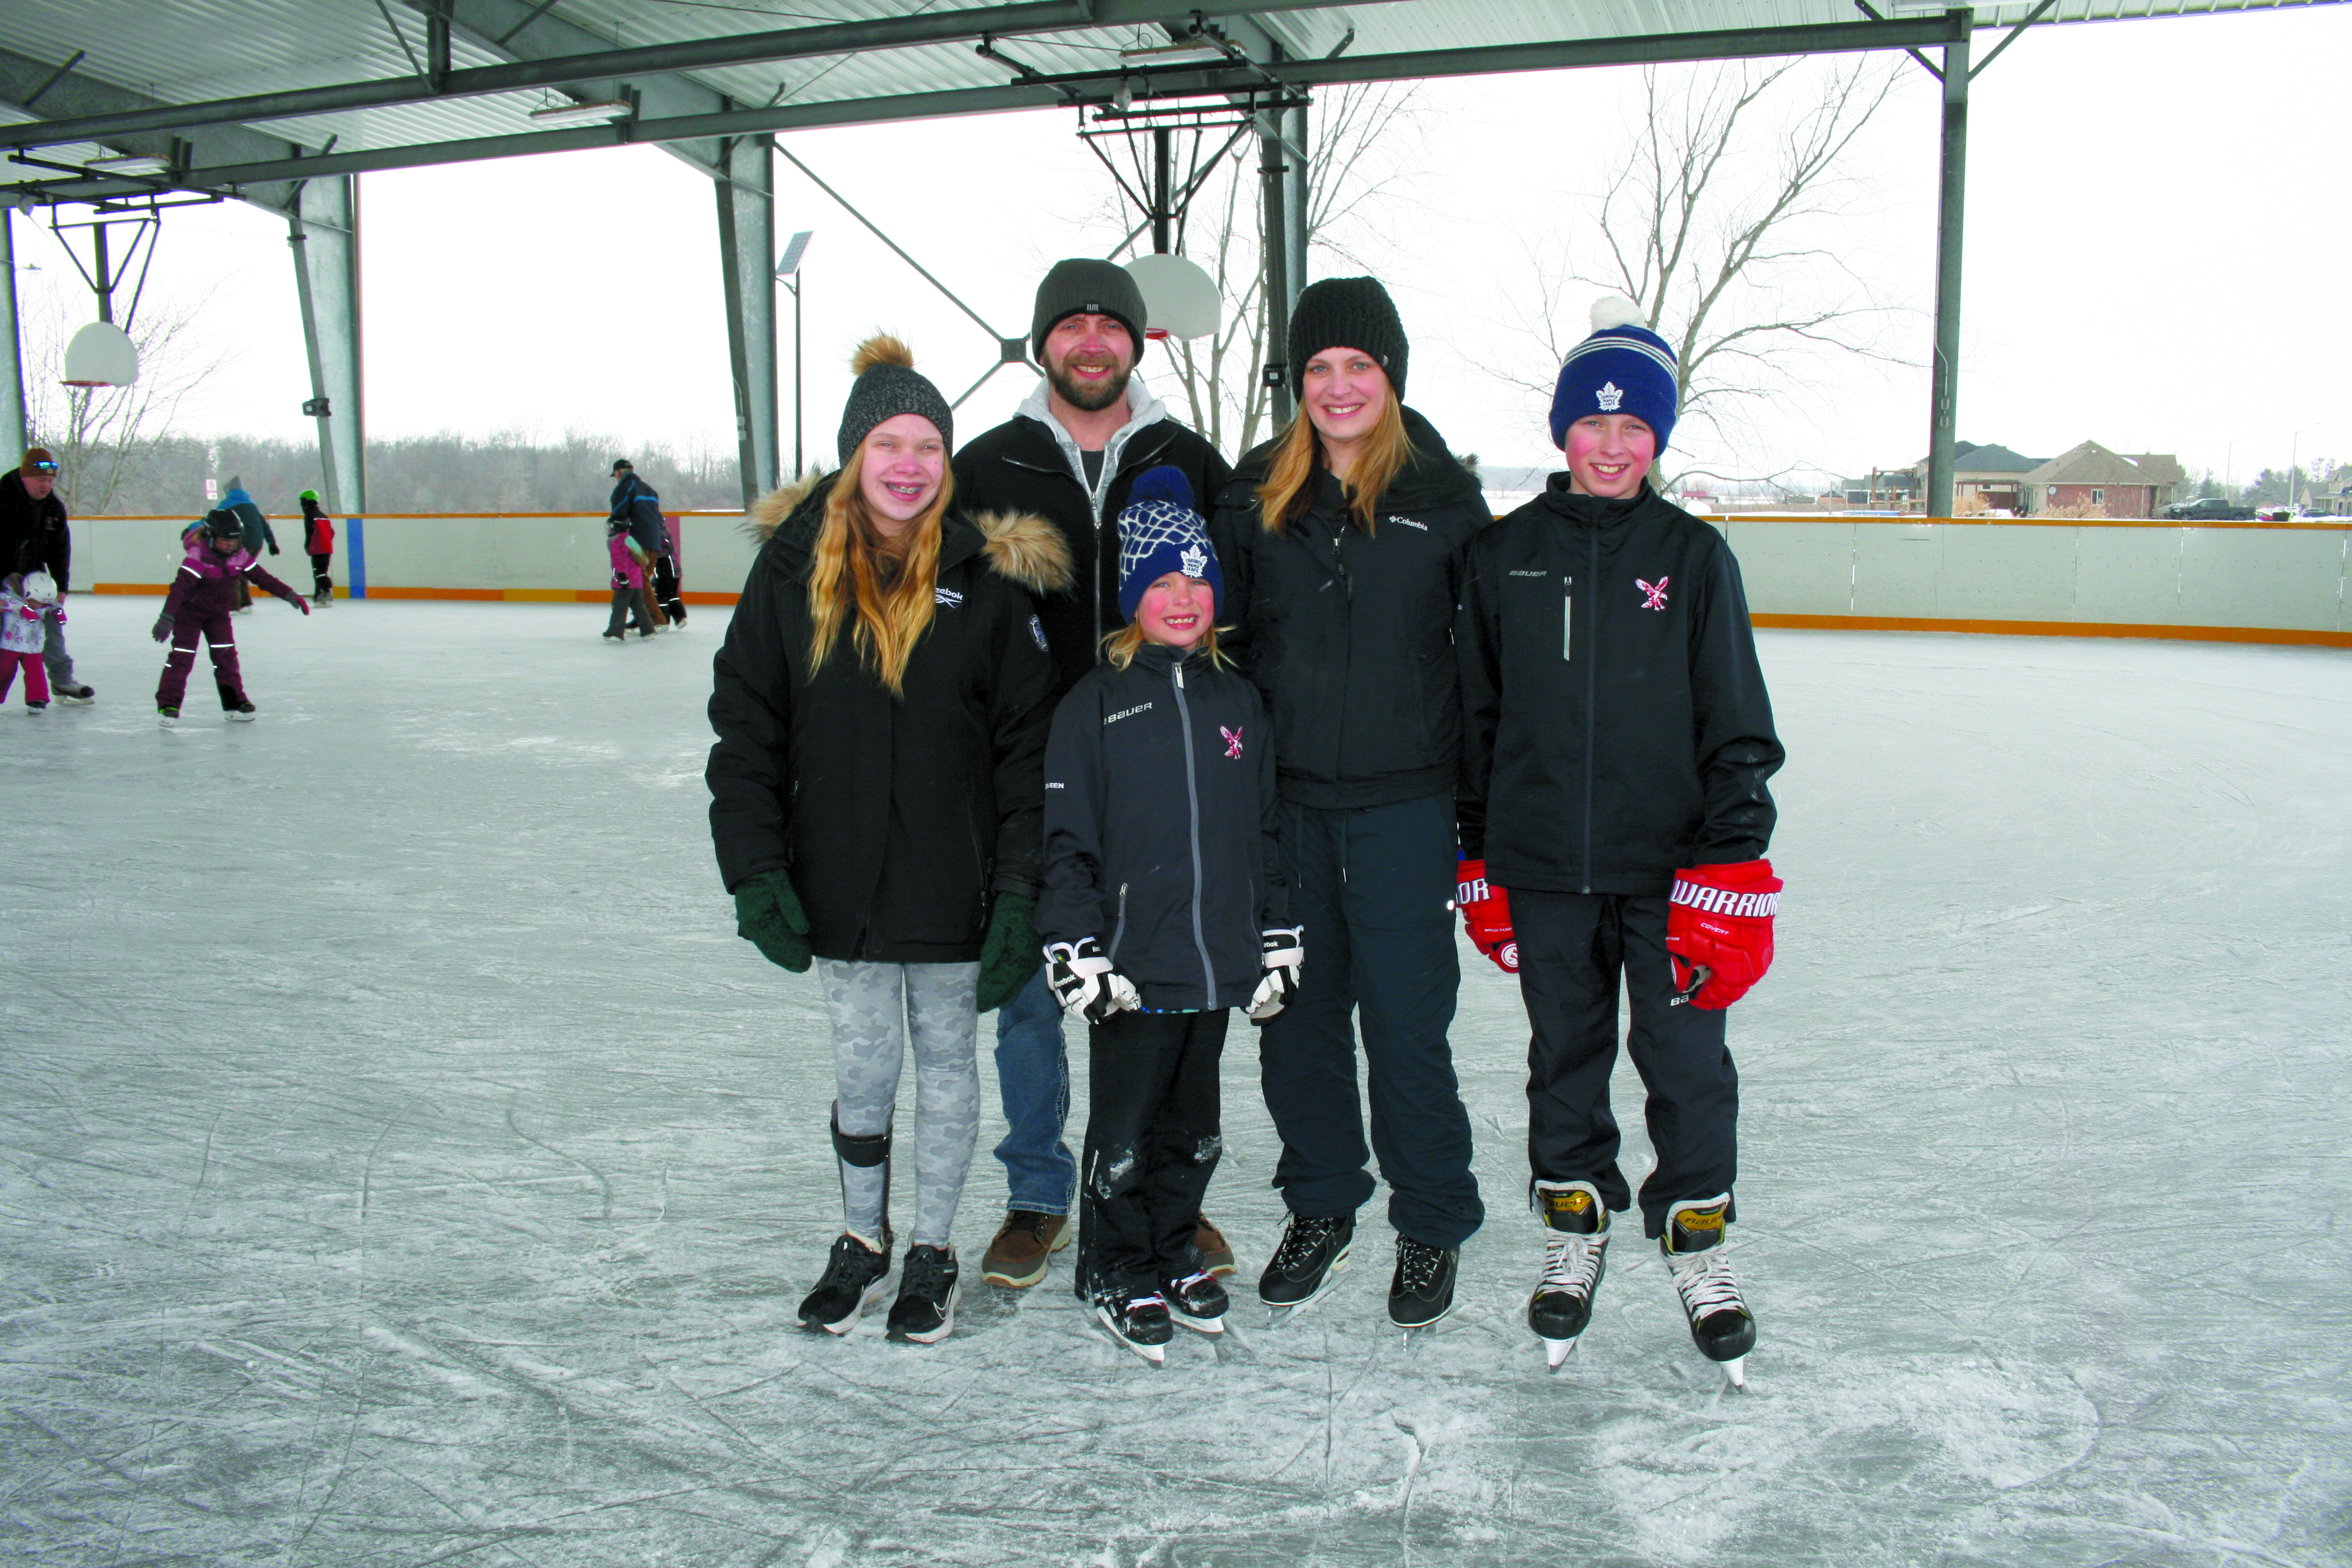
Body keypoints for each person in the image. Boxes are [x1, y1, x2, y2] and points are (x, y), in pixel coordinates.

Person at [707, 336, 1068, 1345]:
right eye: (886, 443)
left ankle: (933, 1250)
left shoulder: (987, 582)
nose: (908, 464)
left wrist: (1015, 892)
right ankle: (862, 1239)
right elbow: (746, 730)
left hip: (953, 891)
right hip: (842, 888)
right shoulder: (789, 575)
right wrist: (756, 870)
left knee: (949, 1065)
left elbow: (1023, 753)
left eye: (926, 445)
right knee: (863, 1068)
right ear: (853, 453)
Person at [1455, 297, 1785, 1386]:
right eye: (1590, 424)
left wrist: (1731, 865)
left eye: (1632, 427)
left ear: (1657, 439)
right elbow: (1475, 719)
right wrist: (1476, 855)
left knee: (1686, 1063)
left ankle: (1698, 1247)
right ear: (1561, 432)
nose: (1608, 444)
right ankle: (1574, 1225)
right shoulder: (1503, 556)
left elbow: (1736, 723)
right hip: (1543, 864)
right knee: (1566, 1057)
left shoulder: (1693, 560)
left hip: (1674, 873)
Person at [1204, 275, 1493, 1333]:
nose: (1336, 386)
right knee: (1295, 1021)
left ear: (1390, 376)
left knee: (1409, 1028)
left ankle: (1431, 1219)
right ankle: (1321, 1202)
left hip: (1404, 806)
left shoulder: (1445, 499)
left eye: (1357, 367)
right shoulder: (1252, 494)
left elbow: (1481, 665)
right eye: (1318, 368)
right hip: (1281, 808)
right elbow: (1216, 647)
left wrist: (1477, 823)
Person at [952, 258, 1236, 1292]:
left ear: (1136, 342)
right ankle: (1039, 1192)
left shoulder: (1187, 458)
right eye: (1068, 325)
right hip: (1027, 778)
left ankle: (1165, 1190)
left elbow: (1235, 609)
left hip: (1164, 775)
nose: (1089, 340)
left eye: (1107, 324)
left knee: (1164, 998)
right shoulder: (985, 465)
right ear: (1043, 345)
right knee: (1029, 996)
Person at [1036, 469, 1296, 1364]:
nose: (1181, 599)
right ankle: (1113, 1264)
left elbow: (1264, 832)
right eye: (1160, 583)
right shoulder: (1095, 707)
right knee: (1126, 1132)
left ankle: (1172, 1245)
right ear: (1129, 600)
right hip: (1132, 967)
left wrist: (1276, 932)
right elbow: (1066, 843)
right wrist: (1075, 945)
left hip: (1217, 961)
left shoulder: (1239, 701)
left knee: (1196, 1127)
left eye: (1195, 582)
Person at [154, 509, 311, 727]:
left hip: (218, 615)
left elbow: (262, 578)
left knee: (226, 659)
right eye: (224, 541)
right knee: (182, 658)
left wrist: (288, 594)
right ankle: (169, 705)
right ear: (210, 537)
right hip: (189, 614)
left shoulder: (240, 555)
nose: (230, 546)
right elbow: (180, 589)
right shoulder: (198, 556)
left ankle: (234, 704)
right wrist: (167, 617)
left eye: (234, 541)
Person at [0, 448, 93, 703]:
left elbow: (60, 549)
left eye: (50, 481)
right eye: (41, 480)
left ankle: (63, 681)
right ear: (25, 476)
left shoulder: (53, 507)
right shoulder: (3, 500)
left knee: (50, 623)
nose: (46, 486)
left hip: (33, 579)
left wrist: (61, 587)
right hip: (2, 578)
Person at [608, 460, 682, 628]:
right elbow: (657, 517)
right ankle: (642, 619)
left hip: (636, 542)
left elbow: (619, 515)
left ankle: (657, 620)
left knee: (640, 581)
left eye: (615, 475)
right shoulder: (650, 490)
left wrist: (617, 536)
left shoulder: (623, 488)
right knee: (640, 582)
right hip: (654, 541)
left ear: (619, 472)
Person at [218, 483, 281, 613]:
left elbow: (212, 518)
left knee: (233, 571)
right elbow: (264, 524)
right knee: (242, 571)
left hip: (241, 542)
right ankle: (245, 604)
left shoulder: (228, 503)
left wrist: (193, 528)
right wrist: (272, 543)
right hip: (257, 543)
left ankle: (233, 606)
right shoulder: (251, 504)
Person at [0, 570, 55, 713]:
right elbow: (5, 601)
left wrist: (57, 612)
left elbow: (54, 606)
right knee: (3, 672)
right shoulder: (10, 597)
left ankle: (37, 699)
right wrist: (22, 608)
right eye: (35, 602)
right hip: (10, 645)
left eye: (42, 604)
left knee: (36, 673)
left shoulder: (43, 603)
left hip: (33, 646)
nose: (38, 606)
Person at [603, 520, 656, 640]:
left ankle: (615, 632)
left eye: (612, 527)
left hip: (626, 580)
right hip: (636, 580)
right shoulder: (629, 539)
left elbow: (620, 561)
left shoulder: (618, 542)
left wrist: (622, 578)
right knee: (638, 606)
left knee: (619, 606)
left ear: (618, 528)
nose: (610, 530)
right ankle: (648, 631)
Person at [299, 489, 336, 606]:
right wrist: (326, 543)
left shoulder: (310, 515)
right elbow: (332, 532)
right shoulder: (323, 516)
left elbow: (310, 532)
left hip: (317, 548)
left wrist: (308, 545)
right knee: (321, 571)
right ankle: (318, 595)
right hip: (326, 548)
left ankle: (326, 593)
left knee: (319, 572)